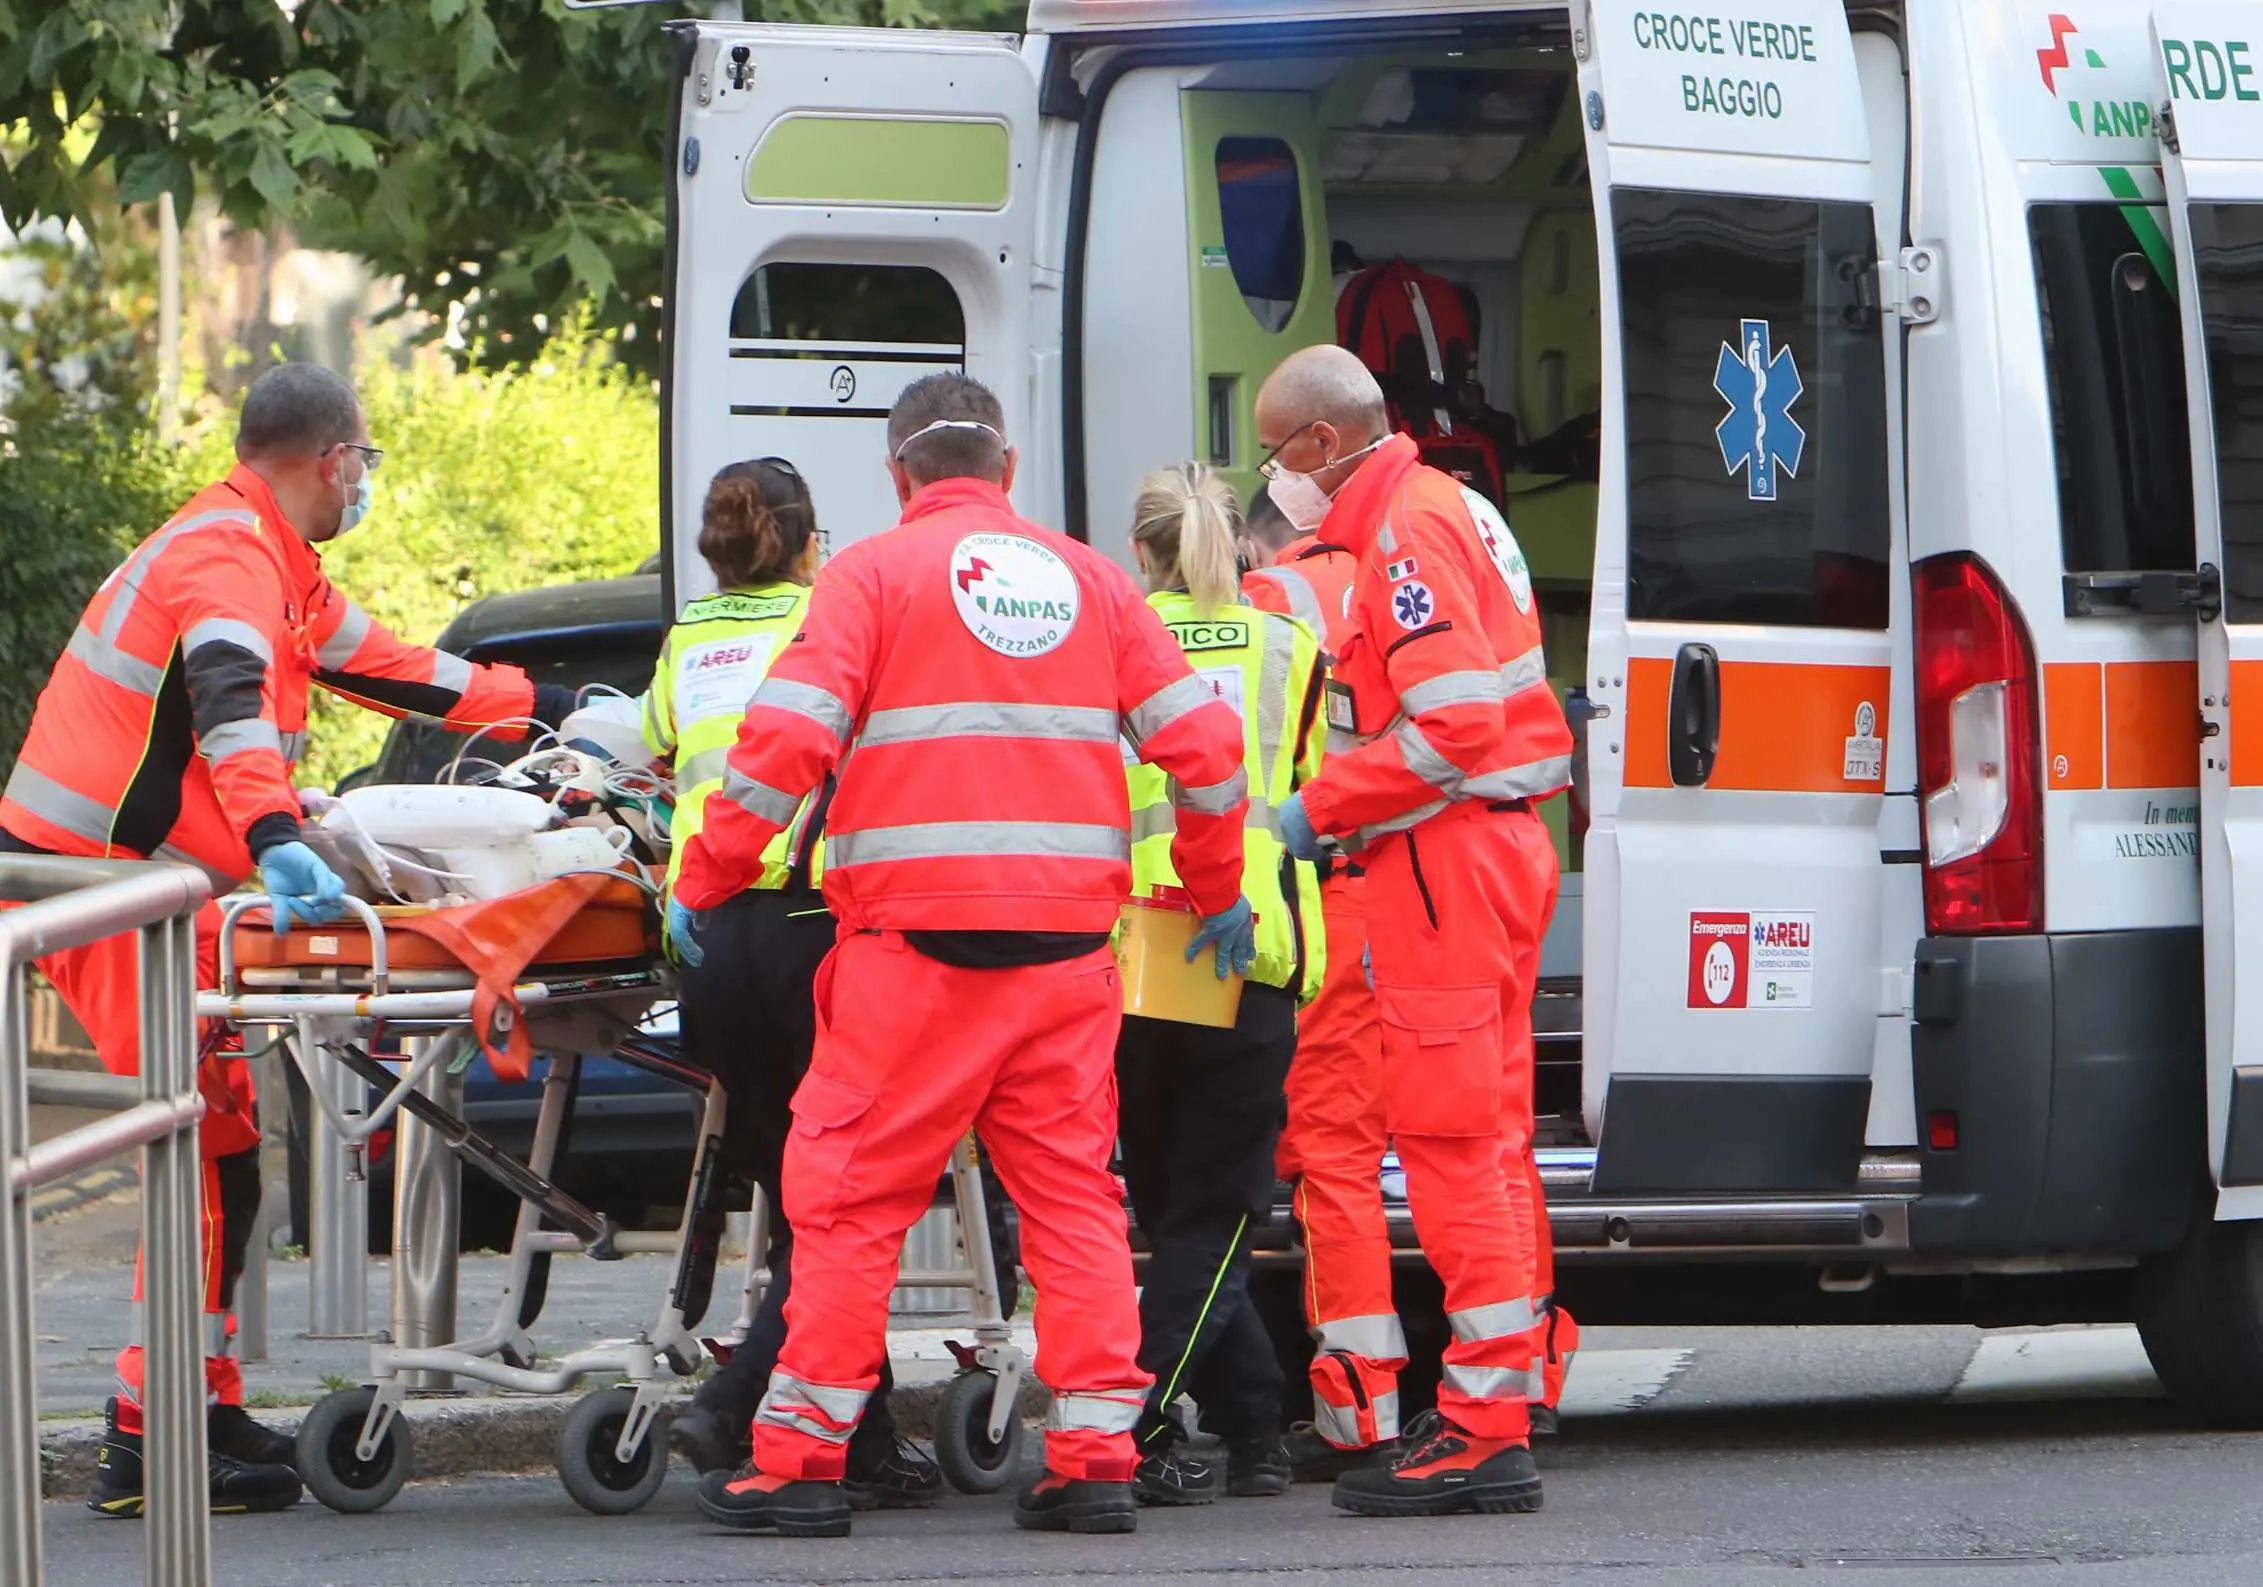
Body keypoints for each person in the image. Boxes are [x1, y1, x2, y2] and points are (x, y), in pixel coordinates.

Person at [668, 373, 1252, 1540]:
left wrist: (705, 879)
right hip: (1066, 960)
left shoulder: (869, 577)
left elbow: (780, 747)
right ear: (1009, 469)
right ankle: (1092, 1459)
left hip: (913, 961)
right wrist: (1210, 887)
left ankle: (797, 1464)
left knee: (846, 1200)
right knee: (1075, 1204)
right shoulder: (1093, 583)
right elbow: (1207, 747)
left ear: (897, 477)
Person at [0, 362, 580, 1517]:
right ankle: (148, 1431)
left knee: (220, 1149)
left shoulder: (275, 565)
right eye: (364, 461)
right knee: (202, 1161)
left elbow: (403, 671)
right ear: (331, 459)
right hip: (101, 889)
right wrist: (276, 833)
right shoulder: (227, 559)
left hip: (130, 887)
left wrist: (555, 710)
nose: (364, 482)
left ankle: (191, 1407)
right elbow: (229, 704)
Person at [1255, 345, 1574, 1518]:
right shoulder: (1456, 509)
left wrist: (1314, 809)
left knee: (1445, 1147)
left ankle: (1482, 1432)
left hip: (1441, 862)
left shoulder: (1400, 535)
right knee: (1488, 1138)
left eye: (1275, 452)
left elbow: (1451, 724)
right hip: (1494, 855)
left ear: (1318, 444)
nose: (1274, 479)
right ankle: (1501, 1399)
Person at [643, 458, 943, 1507]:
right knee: (843, 1208)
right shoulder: (831, 620)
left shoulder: (688, 644)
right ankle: (743, 1409)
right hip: (817, 928)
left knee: (802, 1195)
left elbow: (649, 760)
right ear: (811, 541)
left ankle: (857, 1441)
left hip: (712, 937)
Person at [1114, 462, 1324, 1506]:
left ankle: (1226, 1421)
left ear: (1141, 551)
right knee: (1220, 1214)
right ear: (1239, 546)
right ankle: (1166, 1419)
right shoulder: (1291, 648)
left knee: (1173, 1211)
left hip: (1136, 961)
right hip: (1251, 959)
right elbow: (1314, 796)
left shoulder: (1108, 650)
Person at [1239, 465, 1404, 1479]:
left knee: (1327, 1163)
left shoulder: (1273, 596)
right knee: (1471, 1145)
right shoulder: (1409, 564)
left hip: (1314, 898)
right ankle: (1515, 1391)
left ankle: (1356, 1418)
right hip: (1417, 890)